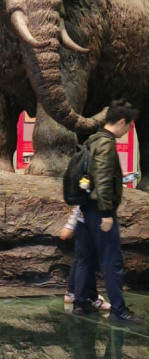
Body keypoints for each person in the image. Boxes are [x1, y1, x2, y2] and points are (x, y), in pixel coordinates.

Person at [72, 99, 142, 324]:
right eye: (128, 126)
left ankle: (80, 303)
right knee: (112, 261)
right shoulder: (105, 144)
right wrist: (106, 214)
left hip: (85, 209)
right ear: (121, 121)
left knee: (85, 259)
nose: (127, 131)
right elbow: (102, 179)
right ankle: (119, 310)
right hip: (98, 211)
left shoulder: (92, 140)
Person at [59, 206, 110, 311]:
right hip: (91, 223)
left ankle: (72, 293)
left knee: (81, 259)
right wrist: (70, 225)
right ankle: (85, 300)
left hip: (86, 222)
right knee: (87, 263)